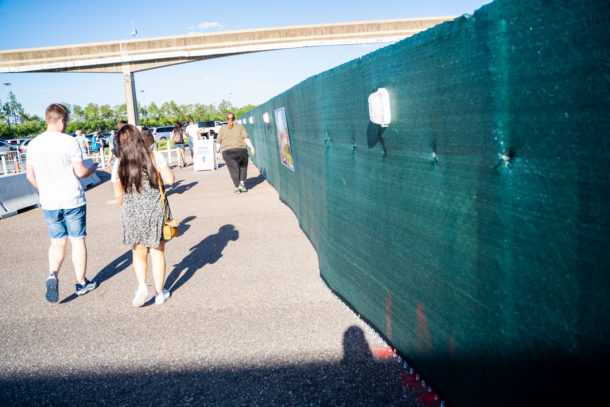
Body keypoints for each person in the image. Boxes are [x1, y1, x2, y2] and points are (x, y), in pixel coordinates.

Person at [25, 103, 98, 303]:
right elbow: (81, 172)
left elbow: (30, 176)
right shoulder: (69, 142)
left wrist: (46, 190)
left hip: (49, 201)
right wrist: (92, 169)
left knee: (57, 242)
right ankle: (81, 283)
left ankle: (53, 274)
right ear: (62, 119)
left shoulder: (34, 144)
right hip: (72, 199)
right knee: (77, 240)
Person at [112, 124, 175, 306]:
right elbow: (170, 180)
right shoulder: (154, 156)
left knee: (138, 253)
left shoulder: (119, 164)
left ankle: (141, 286)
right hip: (155, 210)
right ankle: (159, 294)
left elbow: (118, 196)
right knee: (157, 253)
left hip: (131, 213)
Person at [216, 112, 255, 194]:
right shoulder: (240, 127)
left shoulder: (222, 128)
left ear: (226, 119)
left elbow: (218, 142)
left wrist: (217, 152)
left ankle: (236, 187)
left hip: (227, 152)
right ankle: (242, 184)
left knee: (233, 170)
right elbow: (246, 139)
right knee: (243, 167)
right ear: (234, 119)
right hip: (241, 150)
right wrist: (252, 147)